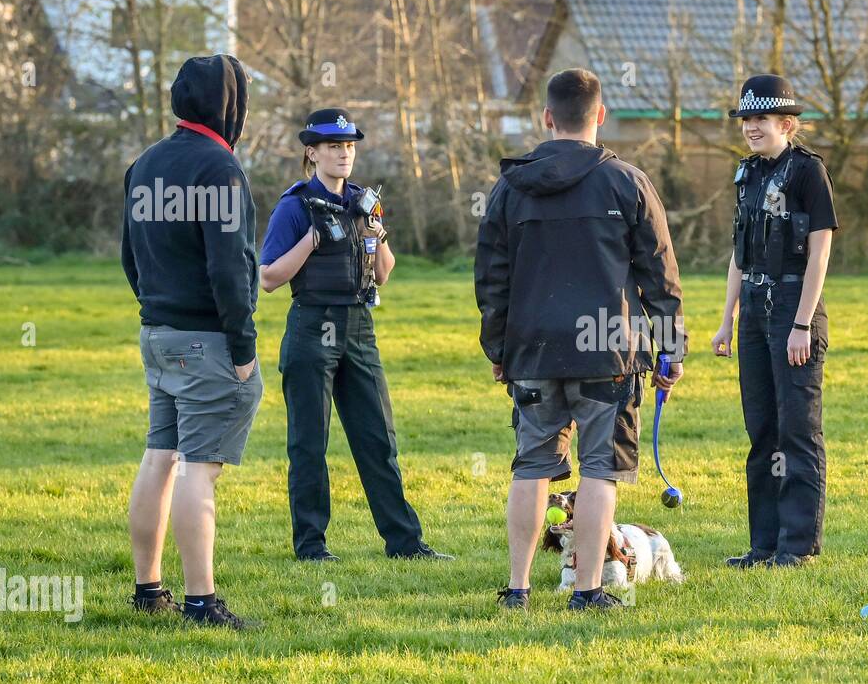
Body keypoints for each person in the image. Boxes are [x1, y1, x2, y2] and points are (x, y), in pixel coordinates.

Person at [475, 68, 686, 611]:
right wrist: (670, 347)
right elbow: (658, 274)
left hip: (533, 350)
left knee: (531, 465)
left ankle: (518, 588)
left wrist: (499, 349)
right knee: (599, 470)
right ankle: (588, 590)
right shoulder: (628, 182)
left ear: (547, 117)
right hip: (608, 352)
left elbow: (491, 278)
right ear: (601, 115)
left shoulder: (509, 187)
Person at [259, 108, 450, 563]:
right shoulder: (295, 205)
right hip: (311, 325)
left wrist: (377, 232)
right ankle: (311, 546)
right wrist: (311, 240)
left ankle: (405, 544)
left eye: (348, 146)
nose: (343, 153)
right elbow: (268, 278)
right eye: (332, 146)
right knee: (309, 443)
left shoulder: (366, 200)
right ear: (312, 152)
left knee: (378, 439)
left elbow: (383, 274)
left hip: (360, 328)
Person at [121, 53, 263, 629]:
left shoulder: (144, 164)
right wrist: (243, 347)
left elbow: (129, 256)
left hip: (157, 333)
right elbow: (230, 269)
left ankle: (149, 589)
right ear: (232, 106)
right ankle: (202, 601)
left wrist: (155, 309)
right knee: (197, 469)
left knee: (160, 456)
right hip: (207, 339)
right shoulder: (220, 170)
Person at [712, 74, 836, 569]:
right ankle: (763, 545)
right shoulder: (747, 175)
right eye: (746, 119)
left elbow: (821, 250)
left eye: (761, 119)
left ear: (787, 123)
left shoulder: (808, 172)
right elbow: (738, 254)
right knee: (761, 430)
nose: (751, 127)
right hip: (753, 313)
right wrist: (727, 319)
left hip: (793, 306)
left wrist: (802, 323)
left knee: (797, 430)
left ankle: (798, 546)